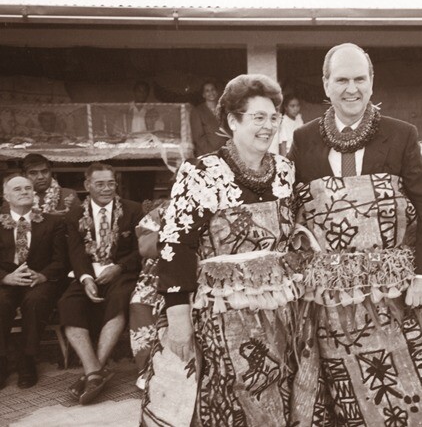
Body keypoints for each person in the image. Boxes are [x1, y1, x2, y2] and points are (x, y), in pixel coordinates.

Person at [288, 43, 422, 426]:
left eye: (359, 79)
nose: (351, 88)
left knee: (415, 393)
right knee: (345, 400)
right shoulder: (304, 140)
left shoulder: (401, 135)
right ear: (325, 84)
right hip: (333, 301)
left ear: (372, 82)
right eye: (341, 79)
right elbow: (295, 211)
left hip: (400, 294)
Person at [142, 74, 303, 426]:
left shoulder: (286, 172)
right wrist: (178, 318)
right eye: (258, 117)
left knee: (274, 390)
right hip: (218, 317)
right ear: (233, 121)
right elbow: (175, 243)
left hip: (277, 313)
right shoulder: (202, 172)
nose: (268, 126)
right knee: (221, 396)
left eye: (273, 117)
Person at [58, 163, 143, 405]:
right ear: (87, 186)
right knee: (68, 304)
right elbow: (75, 253)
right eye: (100, 184)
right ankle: (95, 371)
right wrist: (85, 279)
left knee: (119, 300)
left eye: (111, 183)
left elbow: (140, 251)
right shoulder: (74, 214)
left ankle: (91, 373)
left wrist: (118, 268)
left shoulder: (133, 210)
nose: (107, 189)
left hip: (121, 274)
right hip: (87, 274)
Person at [0, 175, 67, 389]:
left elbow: (61, 260)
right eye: (17, 189)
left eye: (28, 188)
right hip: (6, 280)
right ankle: (2, 360)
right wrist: (5, 277)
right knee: (1, 302)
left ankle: (27, 360)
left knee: (35, 302)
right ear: (6, 196)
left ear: (34, 194)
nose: (24, 192)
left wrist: (43, 276)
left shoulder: (53, 222)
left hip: (40, 280)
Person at [129, 201, 168, 391]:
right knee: (140, 301)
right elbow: (145, 248)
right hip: (162, 270)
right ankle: (148, 368)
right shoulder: (163, 210)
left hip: (201, 268)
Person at [189, 80, 228, 156]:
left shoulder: (224, 109)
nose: (211, 93)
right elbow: (198, 137)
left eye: (213, 89)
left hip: (225, 152)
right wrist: (212, 152)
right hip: (206, 154)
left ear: (217, 92)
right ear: (203, 95)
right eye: (207, 91)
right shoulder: (197, 111)